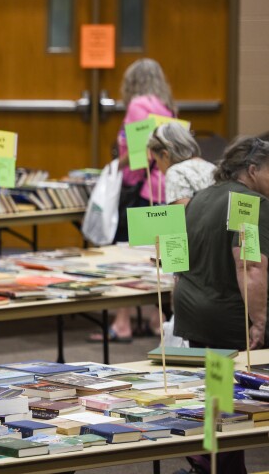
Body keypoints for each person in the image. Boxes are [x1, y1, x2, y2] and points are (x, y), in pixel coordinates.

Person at [173, 136, 269, 474]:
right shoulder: (250, 203)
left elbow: (177, 255)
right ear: (253, 169)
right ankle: (211, 462)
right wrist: (259, 321)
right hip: (229, 318)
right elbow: (250, 266)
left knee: (217, 389)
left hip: (194, 310)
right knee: (239, 395)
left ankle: (210, 460)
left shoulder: (199, 197)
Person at [91, 58, 176, 343]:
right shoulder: (167, 109)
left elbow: (142, 152)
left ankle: (123, 321)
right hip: (164, 191)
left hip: (140, 192)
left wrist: (115, 165)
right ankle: (158, 319)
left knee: (126, 255)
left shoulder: (138, 106)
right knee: (158, 257)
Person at [146, 122, 216, 205]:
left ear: (165, 155)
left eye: (156, 160)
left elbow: (183, 215)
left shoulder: (175, 173)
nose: (157, 165)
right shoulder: (212, 167)